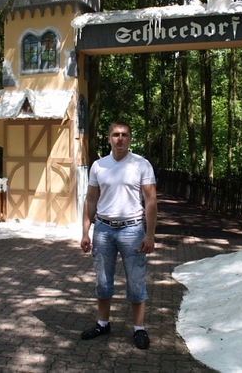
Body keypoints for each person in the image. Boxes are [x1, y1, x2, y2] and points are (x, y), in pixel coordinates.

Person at [80, 121, 157, 350]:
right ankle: (103, 324)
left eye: (124, 134)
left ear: (130, 138)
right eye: (115, 134)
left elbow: (151, 201)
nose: (120, 138)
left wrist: (150, 235)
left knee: (135, 281)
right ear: (109, 138)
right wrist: (85, 232)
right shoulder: (98, 166)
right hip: (103, 230)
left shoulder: (141, 164)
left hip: (132, 230)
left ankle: (139, 328)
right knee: (103, 280)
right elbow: (90, 199)